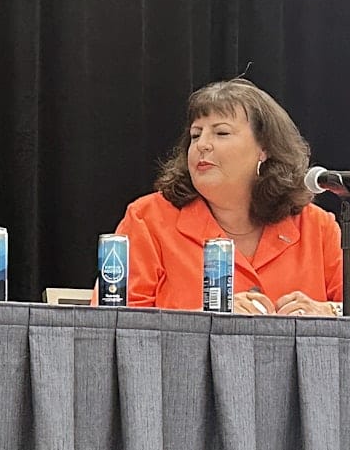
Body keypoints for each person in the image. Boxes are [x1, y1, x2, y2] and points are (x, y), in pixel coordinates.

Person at [111, 77, 340, 314]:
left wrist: (329, 312)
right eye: (196, 135)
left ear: (264, 149)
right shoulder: (148, 219)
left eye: (221, 133)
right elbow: (114, 325)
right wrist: (207, 321)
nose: (202, 145)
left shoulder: (317, 227)